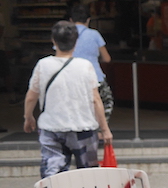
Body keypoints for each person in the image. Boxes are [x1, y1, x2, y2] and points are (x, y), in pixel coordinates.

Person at [23, 21, 113, 177]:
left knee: (53, 177)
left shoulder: (43, 65)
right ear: (76, 42)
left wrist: (28, 117)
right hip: (83, 128)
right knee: (88, 178)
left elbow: (31, 97)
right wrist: (104, 129)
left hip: (52, 129)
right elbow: (96, 100)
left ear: (53, 40)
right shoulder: (85, 66)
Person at [68, 3, 113, 120]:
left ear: (71, 20)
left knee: (75, 107)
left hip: (71, 77)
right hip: (94, 77)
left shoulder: (66, 35)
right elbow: (107, 58)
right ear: (88, 20)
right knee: (105, 103)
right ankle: (100, 131)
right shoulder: (94, 34)